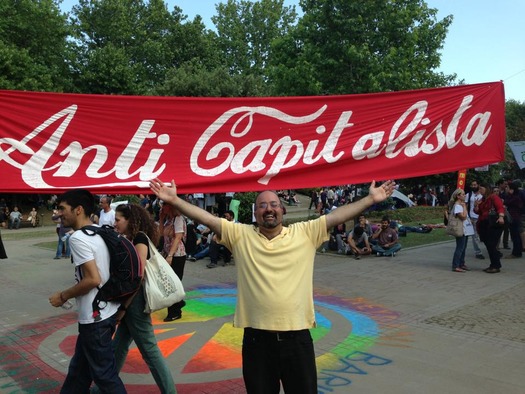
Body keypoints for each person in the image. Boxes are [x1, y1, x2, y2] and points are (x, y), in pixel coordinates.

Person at [149, 177, 395, 394]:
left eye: (274, 204)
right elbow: (207, 218)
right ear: (255, 213)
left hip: (297, 340)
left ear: (283, 210)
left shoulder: (305, 233)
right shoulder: (241, 235)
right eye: (262, 206)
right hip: (257, 343)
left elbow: (337, 216)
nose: (269, 209)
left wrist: (370, 199)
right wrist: (176, 200)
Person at [48, 189, 126, 393]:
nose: (59, 213)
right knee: (78, 373)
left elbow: (93, 279)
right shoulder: (98, 231)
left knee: (105, 376)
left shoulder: (78, 238)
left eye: (62, 208)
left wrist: (62, 296)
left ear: (79, 209)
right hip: (104, 312)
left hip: (95, 319)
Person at [112, 203, 177, 393]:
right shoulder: (131, 238)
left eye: (118, 220)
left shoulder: (140, 238)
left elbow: (137, 276)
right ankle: (104, 386)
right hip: (132, 300)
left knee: (149, 350)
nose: (115, 223)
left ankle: (170, 391)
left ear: (130, 220)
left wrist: (125, 306)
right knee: (119, 346)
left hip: (135, 301)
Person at [159, 202, 187, 322]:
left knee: (173, 283)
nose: (162, 207)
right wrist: (160, 219)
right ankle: (178, 303)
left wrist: (170, 255)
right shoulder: (168, 220)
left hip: (177, 255)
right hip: (168, 253)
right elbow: (161, 234)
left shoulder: (178, 219)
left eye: (164, 205)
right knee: (167, 281)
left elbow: (178, 238)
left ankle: (175, 311)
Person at [474, 185, 505, 273]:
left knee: (491, 245)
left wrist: (501, 216)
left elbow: (500, 207)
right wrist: (476, 206)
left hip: (493, 224)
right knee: (489, 245)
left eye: (481, 188)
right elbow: (479, 212)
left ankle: (496, 265)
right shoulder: (483, 199)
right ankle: (493, 264)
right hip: (485, 224)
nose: (479, 190)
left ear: (487, 189)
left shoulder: (493, 197)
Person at [448, 189, 473, 272]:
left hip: (465, 229)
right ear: (458, 196)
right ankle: (455, 265)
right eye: (463, 194)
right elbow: (463, 217)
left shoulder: (461, 204)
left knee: (463, 247)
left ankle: (461, 263)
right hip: (460, 229)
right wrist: (464, 207)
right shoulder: (458, 205)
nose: (464, 195)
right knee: (460, 247)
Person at [465, 180, 485, 260]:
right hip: (472, 218)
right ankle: (478, 252)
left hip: (481, 217)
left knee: (483, 235)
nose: (473, 186)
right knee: (474, 236)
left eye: (475, 185)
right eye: (472, 185)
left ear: (478, 185)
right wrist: (467, 217)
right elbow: (466, 206)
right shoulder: (468, 195)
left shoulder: (483, 195)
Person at [503, 181, 523, 259]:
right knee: (516, 235)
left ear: (512, 189)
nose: (506, 189)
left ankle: (516, 252)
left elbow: (506, 202)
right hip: (514, 217)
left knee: (515, 236)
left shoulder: (515, 197)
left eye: (507, 188)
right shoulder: (512, 196)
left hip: (514, 218)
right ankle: (518, 251)